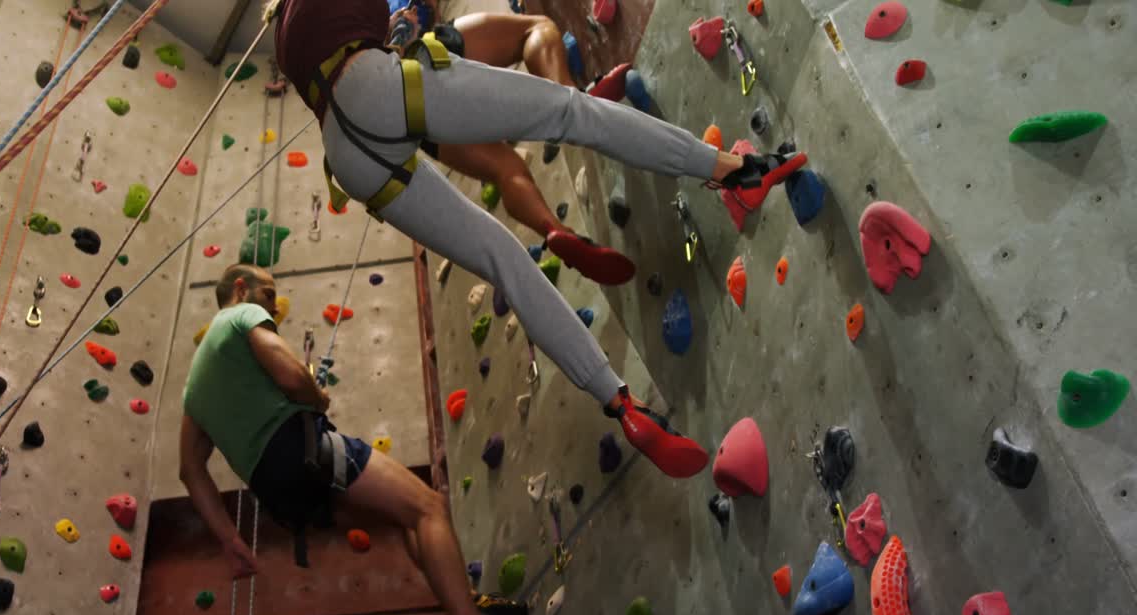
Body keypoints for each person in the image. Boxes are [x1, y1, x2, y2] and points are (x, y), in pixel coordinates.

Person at [270, 0, 806, 479]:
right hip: (374, 85)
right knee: (569, 110)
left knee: (503, 259)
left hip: (346, 153)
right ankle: (737, 170)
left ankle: (621, 405)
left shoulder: (285, 28)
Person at [180, 264, 547, 615]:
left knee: (402, 517)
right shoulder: (239, 316)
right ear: (241, 289)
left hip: (278, 492)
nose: (272, 310)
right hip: (302, 451)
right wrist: (316, 396)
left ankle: (466, 603)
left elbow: (190, 471)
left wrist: (230, 540)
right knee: (429, 507)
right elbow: (291, 376)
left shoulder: (194, 384)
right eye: (268, 296)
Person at [385, 0, 640, 286]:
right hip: (428, 56)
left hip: (415, 119)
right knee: (534, 30)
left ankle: (556, 230)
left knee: (506, 170)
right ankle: (574, 102)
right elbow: (423, 11)